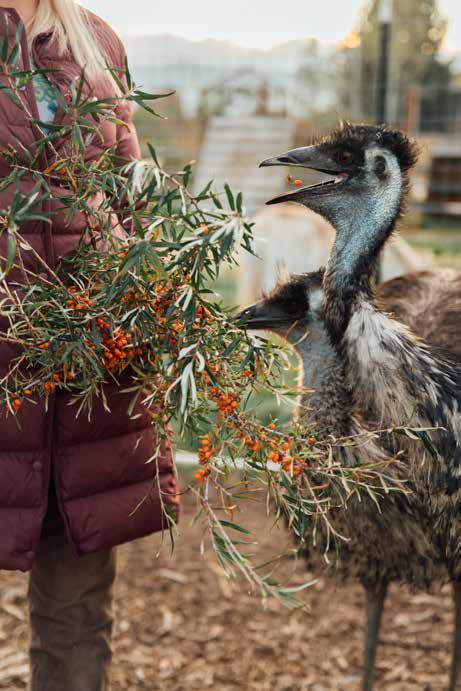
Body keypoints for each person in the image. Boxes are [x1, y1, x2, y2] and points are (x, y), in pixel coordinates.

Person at [0, 2, 179, 690]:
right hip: (5, 369)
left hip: (88, 378)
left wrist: (147, 293)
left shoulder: (95, 40)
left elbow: (127, 194)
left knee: (76, 617)